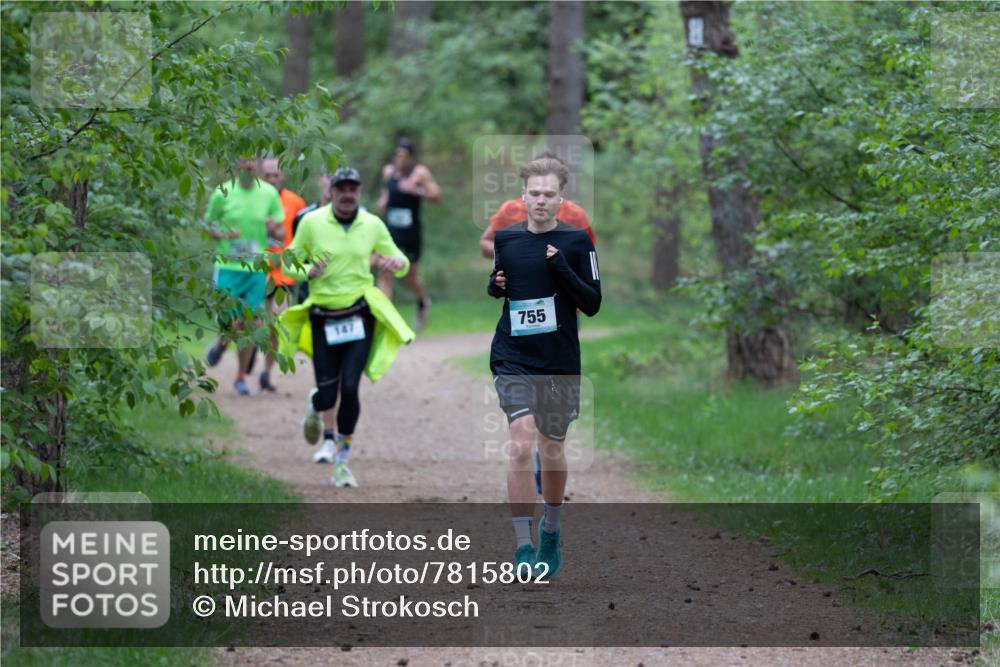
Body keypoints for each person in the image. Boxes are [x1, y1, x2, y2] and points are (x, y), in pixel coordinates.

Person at [488, 156, 601, 577]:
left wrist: (562, 267)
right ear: (523, 195)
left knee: (552, 448)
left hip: (558, 360)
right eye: (534, 193)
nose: (540, 200)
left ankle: (551, 532)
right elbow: (501, 285)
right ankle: (523, 546)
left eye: (548, 194)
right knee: (521, 444)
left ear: (561, 198)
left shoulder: (577, 242)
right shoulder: (506, 239)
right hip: (512, 355)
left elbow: (592, 302)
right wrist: (494, 285)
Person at [278, 167, 415, 487]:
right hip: (323, 316)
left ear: (359, 192)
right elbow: (287, 263)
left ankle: (342, 461)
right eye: (341, 189)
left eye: (353, 189)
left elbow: (400, 261)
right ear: (332, 191)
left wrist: (397, 264)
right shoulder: (311, 222)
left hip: (359, 315)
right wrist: (308, 271)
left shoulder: (372, 224)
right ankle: (316, 404)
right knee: (328, 395)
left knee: (350, 388)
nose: (347, 195)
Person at [205, 158, 284, 395]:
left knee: (252, 323)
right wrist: (220, 234)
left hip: (256, 268)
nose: (248, 166)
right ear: (236, 165)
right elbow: (208, 225)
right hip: (228, 266)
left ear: (257, 165)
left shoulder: (269, 194)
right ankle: (222, 342)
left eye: (252, 161)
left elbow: (281, 231)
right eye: (243, 161)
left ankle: (241, 376)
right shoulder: (222, 192)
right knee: (231, 322)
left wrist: (274, 229)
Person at [479, 153, 596, 260]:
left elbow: (589, 253)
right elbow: (486, 242)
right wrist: (511, 254)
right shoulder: (510, 209)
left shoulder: (576, 214)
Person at [376, 139, 441, 330]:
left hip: (411, 231)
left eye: (404, 156)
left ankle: (423, 301)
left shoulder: (419, 173)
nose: (400, 159)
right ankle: (385, 318)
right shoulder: (389, 171)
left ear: (411, 157)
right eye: (398, 155)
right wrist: (384, 200)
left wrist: (417, 190)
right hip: (391, 230)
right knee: (385, 271)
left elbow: (436, 195)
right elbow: (387, 192)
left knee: (409, 276)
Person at [258, 156, 307, 392]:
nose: (271, 179)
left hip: (283, 274)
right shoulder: (253, 200)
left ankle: (266, 372)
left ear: (283, 176)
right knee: (251, 323)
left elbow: (303, 236)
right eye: (267, 175)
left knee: (277, 323)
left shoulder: (295, 203)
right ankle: (243, 364)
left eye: (275, 175)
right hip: (255, 271)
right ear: (261, 176)